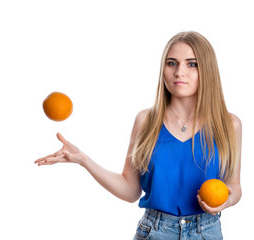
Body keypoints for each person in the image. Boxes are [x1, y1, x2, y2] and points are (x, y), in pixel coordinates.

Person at [35, 31, 242, 240]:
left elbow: (234, 186)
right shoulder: (146, 121)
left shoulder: (229, 125)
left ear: (207, 70)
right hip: (155, 232)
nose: (179, 72)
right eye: (171, 63)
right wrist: (84, 160)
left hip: (206, 232)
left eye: (192, 64)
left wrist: (228, 201)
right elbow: (130, 190)